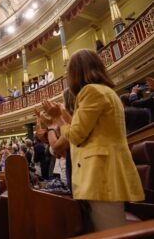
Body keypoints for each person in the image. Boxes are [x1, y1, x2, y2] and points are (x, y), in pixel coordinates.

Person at [40, 49, 144, 231]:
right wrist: (62, 115)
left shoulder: (90, 92)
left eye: (68, 73)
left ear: (76, 72)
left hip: (100, 175)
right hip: (104, 172)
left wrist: (57, 119)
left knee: (108, 232)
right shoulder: (105, 92)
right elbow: (83, 130)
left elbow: (76, 137)